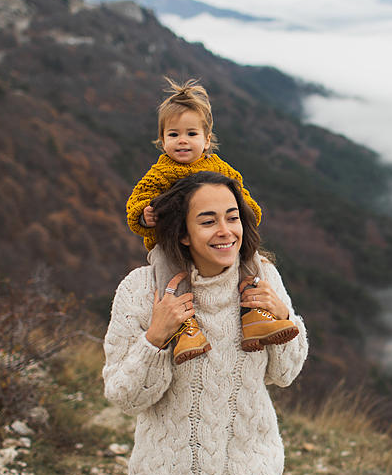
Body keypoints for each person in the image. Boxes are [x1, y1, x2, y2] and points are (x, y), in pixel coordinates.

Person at [103, 171, 308, 475]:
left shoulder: (262, 277)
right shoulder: (140, 290)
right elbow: (124, 396)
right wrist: (156, 337)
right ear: (183, 233)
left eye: (232, 217)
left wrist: (284, 319)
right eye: (208, 220)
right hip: (172, 473)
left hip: (248, 465)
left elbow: (284, 374)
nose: (225, 231)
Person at [125, 78, 297, 364]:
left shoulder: (220, 168)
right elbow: (136, 204)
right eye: (173, 134)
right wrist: (145, 214)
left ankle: (255, 313)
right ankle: (184, 326)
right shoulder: (159, 173)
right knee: (168, 270)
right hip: (169, 243)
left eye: (191, 133)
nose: (182, 140)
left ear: (206, 140)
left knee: (250, 257)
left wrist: (245, 214)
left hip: (220, 247)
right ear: (162, 140)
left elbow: (243, 199)